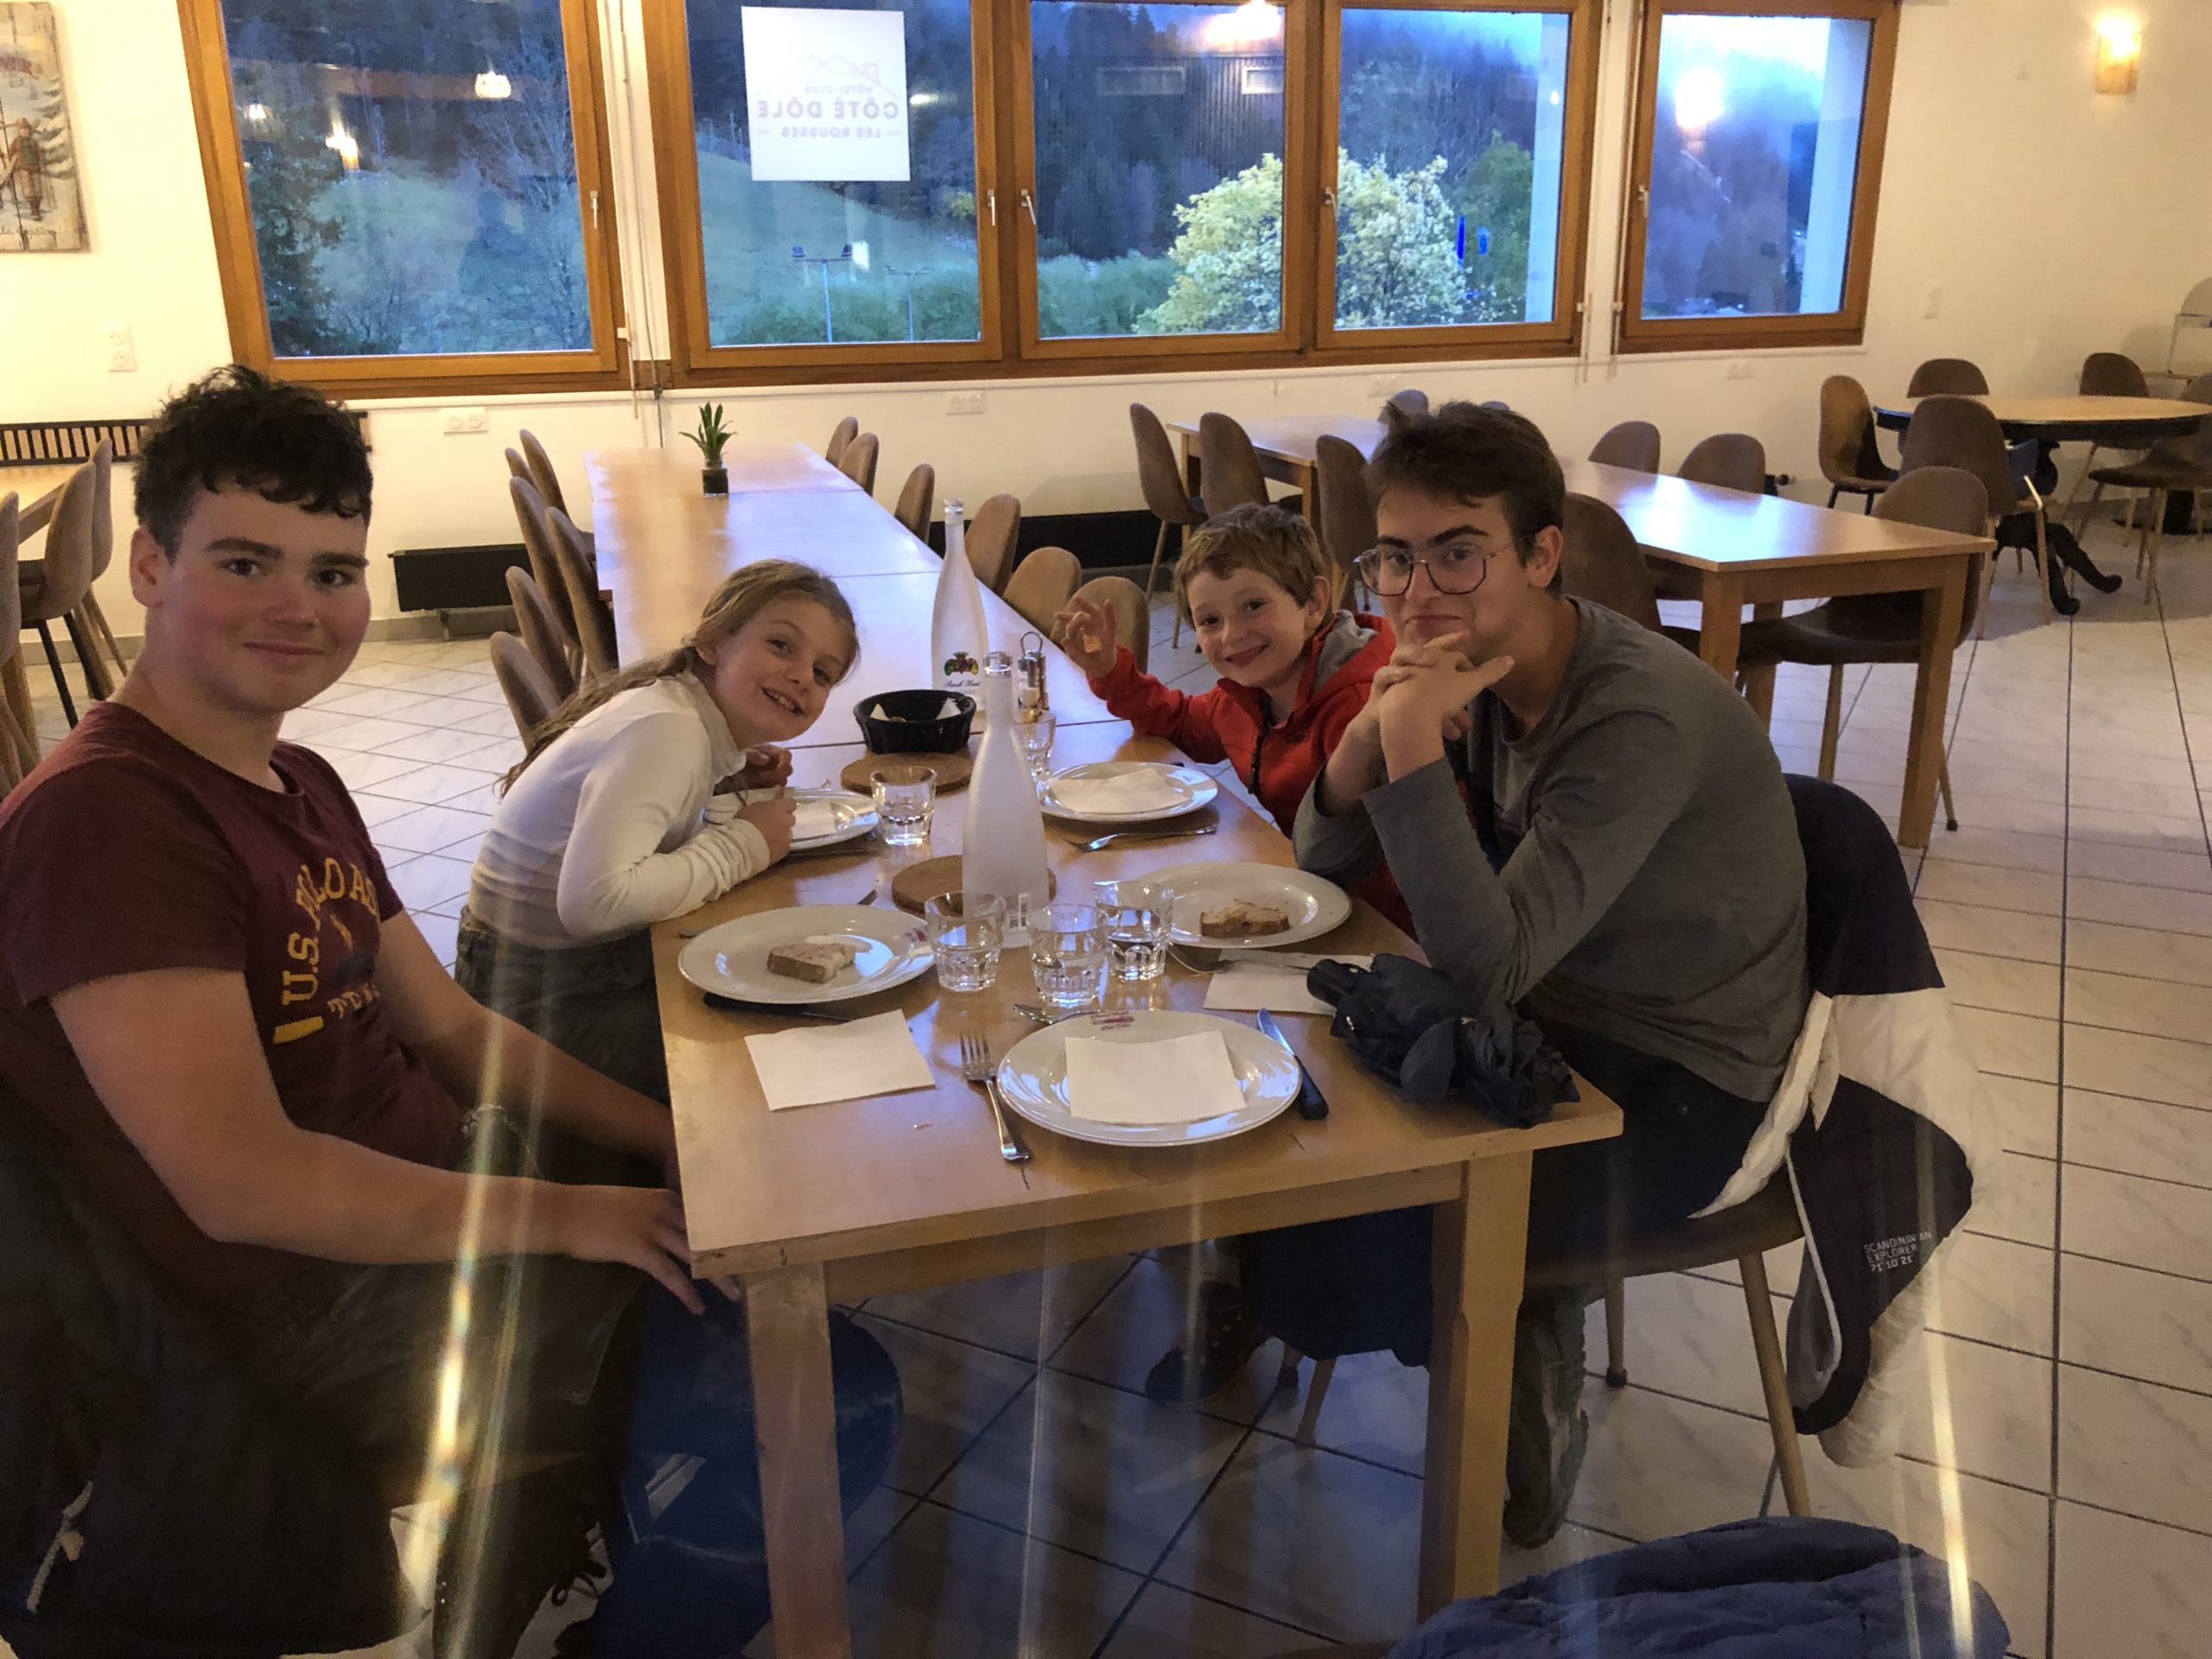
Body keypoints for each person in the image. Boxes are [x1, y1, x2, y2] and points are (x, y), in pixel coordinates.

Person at [0, 365, 898, 1658]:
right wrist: (582, 1213)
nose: (298, 608)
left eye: (331, 571)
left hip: (438, 1189)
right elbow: (245, 1184)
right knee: (834, 1391)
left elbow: (459, 1032)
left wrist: (661, 1138)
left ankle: (546, 1549)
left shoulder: (295, 777)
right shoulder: (108, 822)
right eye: (246, 563)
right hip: (304, 1307)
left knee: (754, 1202)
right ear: (148, 565)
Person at [1234, 403, 1808, 1545]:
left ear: (1543, 556)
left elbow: (1487, 962)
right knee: (1284, 1143)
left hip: (1686, 1084)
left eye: (1458, 553)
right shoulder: (1486, 668)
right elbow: (1320, 861)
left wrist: (1410, 740)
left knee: (1352, 1233)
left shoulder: (1631, 714)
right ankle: (1494, 1301)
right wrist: (1372, 736)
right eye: (1395, 557)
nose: (1416, 590)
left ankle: (1522, 1334)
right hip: (1554, 1017)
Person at [458, 560, 858, 1105]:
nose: (801, 676)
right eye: (781, 646)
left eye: (823, 674)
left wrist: (723, 773)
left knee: (789, 999)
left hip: (555, 969)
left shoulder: (678, 710)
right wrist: (743, 847)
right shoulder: (668, 730)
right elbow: (595, 903)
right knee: (780, 1058)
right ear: (712, 641)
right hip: (538, 1006)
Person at [1054, 501, 1408, 929]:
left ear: (1314, 603)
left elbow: (1399, 861)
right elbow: (1182, 722)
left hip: (1380, 922)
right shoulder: (1250, 693)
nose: (1232, 634)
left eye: (1253, 605)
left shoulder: (1359, 705)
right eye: (1209, 620)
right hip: (1310, 886)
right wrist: (1112, 672)